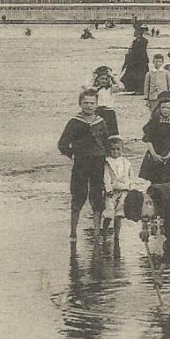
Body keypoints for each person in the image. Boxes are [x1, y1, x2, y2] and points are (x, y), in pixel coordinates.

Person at [58, 89, 110, 242]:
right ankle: (73, 233)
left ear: (96, 105)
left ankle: (96, 232)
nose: (88, 106)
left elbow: (106, 141)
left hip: (98, 162)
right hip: (81, 163)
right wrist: (73, 154)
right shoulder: (74, 122)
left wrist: (105, 154)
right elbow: (62, 144)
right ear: (80, 104)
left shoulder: (100, 122)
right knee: (78, 195)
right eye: (85, 103)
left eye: (92, 103)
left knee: (97, 196)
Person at [139, 91, 170, 184]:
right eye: (163, 107)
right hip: (154, 154)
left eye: (168, 108)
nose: (165, 110)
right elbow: (148, 139)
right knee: (154, 182)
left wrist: (168, 155)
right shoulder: (153, 122)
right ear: (159, 108)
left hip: (168, 155)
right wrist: (154, 155)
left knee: (167, 183)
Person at [102, 135, 137, 247]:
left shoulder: (126, 163)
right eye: (113, 149)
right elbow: (106, 177)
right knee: (109, 212)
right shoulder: (107, 162)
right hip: (112, 191)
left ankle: (117, 236)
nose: (115, 152)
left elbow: (131, 177)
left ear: (122, 149)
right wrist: (108, 189)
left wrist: (131, 187)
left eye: (118, 149)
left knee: (119, 214)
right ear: (109, 150)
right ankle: (105, 233)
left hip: (124, 190)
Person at [85, 66, 122, 137]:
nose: (104, 81)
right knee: (97, 132)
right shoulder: (94, 89)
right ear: (97, 79)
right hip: (97, 111)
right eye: (102, 79)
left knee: (111, 132)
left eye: (106, 79)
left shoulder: (110, 89)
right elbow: (86, 87)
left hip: (109, 112)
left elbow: (121, 87)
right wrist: (93, 77)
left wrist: (113, 77)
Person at [120, 28, 150, 94]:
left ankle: (140, 90)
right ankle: (134, 89)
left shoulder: (144, 41)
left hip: (141, 61)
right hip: (135, 61)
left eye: (136, 32)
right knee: (133, 75)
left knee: (140, 76)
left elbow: (141, 51)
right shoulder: (135, 41)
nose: (134, 33)